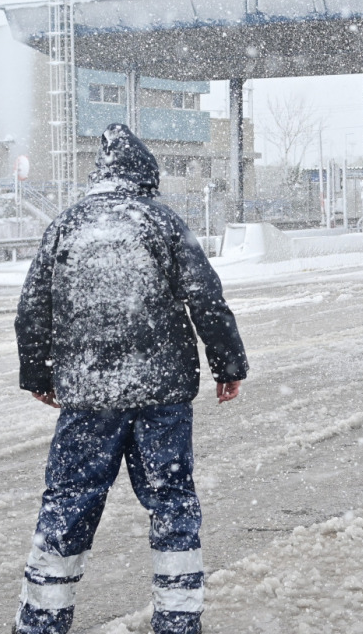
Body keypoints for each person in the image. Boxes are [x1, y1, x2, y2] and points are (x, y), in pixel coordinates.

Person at [12, 124, 248, 634]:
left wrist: (38, 373)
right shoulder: (160, 220)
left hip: (88, 397)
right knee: (171, 503)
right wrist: (227, 366)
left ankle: (42, 621)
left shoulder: (66, 225)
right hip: (161, 394)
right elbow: (206, 297)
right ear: (146, 175)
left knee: (68, 504)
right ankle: (179, 620)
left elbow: (32, 306)